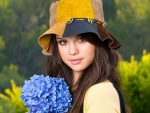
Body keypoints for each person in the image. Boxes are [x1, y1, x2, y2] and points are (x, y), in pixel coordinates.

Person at [38, 0, 130, 113]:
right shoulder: (63, 92)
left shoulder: (100, 92)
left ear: (98, 40)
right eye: (63, 42)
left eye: (81, 39)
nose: (72, 51)